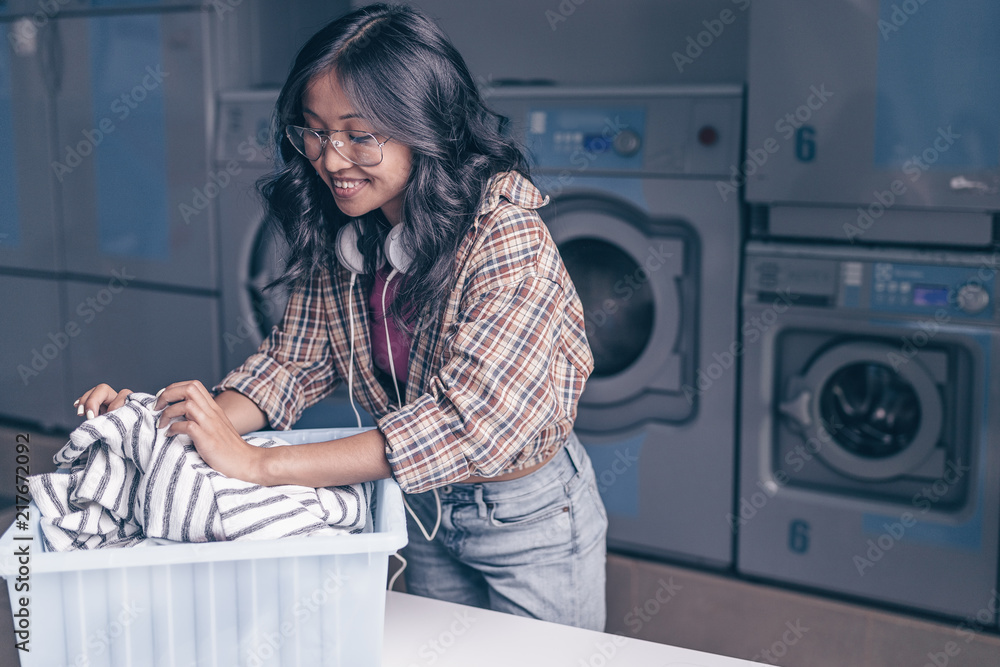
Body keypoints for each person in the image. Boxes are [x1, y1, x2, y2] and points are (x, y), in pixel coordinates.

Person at [73, 2, 607, 631]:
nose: (329, 159)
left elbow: (470, 423)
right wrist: (159, 422)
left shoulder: (505, 237)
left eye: (359, 134)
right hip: (419, 500)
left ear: (424, 126)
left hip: (528, 515)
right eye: (316, 131)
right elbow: (293, 363)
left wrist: (260, 464)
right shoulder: (351, 231)